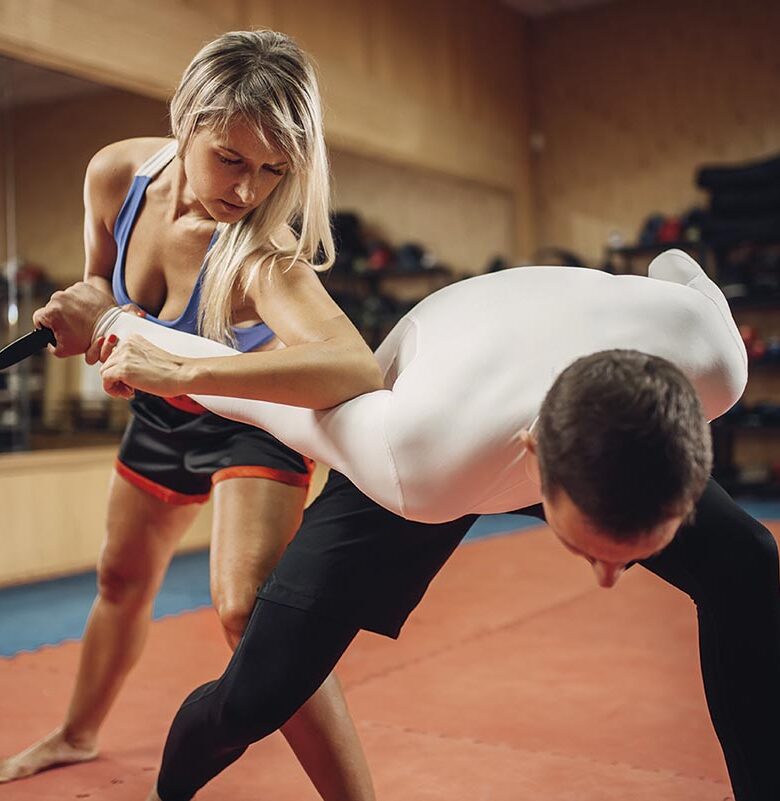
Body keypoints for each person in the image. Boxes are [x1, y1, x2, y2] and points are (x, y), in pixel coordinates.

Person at [38, 249, 780, 801]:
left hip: (561, 372)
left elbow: (678, 265)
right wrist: (116, 326)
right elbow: (278, 401)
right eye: (594, 552)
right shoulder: (419, 455)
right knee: (255, 697)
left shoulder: (715, 360)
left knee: (746, 559)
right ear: (533, 462)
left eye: (628, 555)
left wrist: (657, 268)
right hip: (436, 382)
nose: (609, 579)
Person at [0, 30, 379, 801]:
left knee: (247, 609)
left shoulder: (262, 254)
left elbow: (355, 365)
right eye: (232, 159)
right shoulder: (114, 175)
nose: (248, 189)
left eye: (275, 169)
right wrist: (87, 319)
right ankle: (77, 731)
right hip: (162, 416)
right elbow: (102, 296)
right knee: (120, 575)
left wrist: (182, 365)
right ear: (186, 120)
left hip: (250, 417)